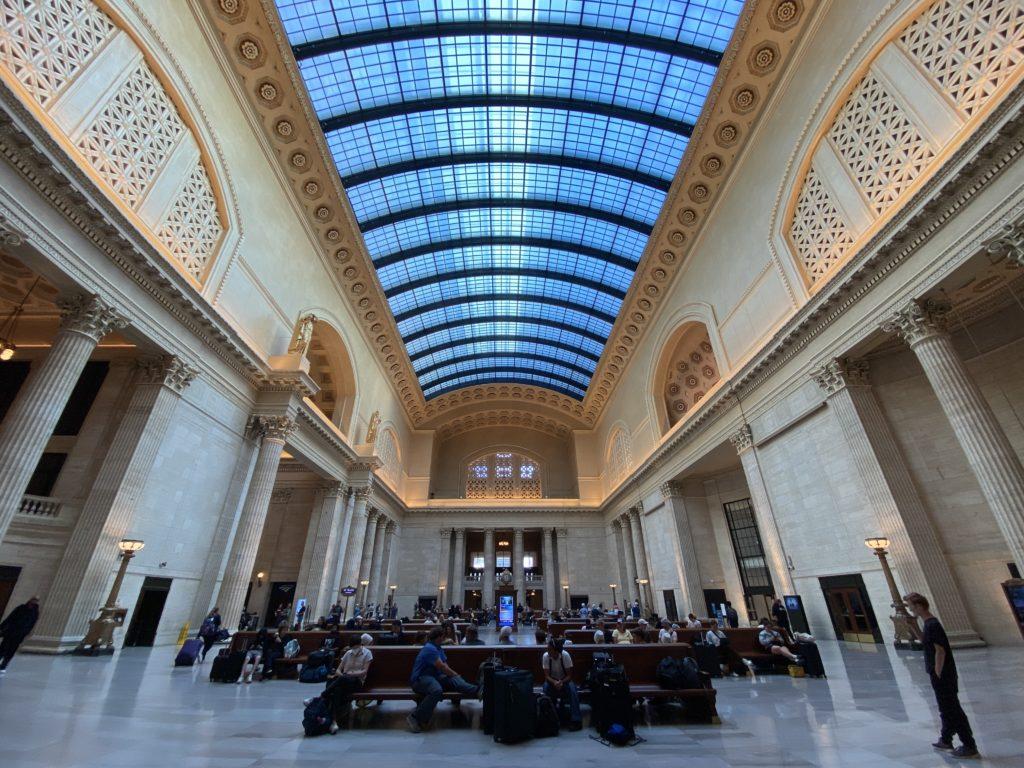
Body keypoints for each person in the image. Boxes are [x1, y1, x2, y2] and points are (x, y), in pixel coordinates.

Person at [904, 593, 978, 758]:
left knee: (952, 709)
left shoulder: (933, 624)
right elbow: (926, 643)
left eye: (911, 607)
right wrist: (913, 626)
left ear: (920, 606)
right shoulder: (928, 624)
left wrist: (938, 672)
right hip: (938, 672)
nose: (910, 610)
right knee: (945, 707)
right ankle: (946, 738)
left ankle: (969, 744)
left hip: (943, 674)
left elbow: (940, 651)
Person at [406, 627, 479, 732]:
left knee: (454, 681)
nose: (444, 639)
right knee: (437, 690)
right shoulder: (429, 648)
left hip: (435, 677)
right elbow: (442, 667)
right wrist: (455, 674)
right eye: (443, 637)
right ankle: (415, 717)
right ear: (438, 637)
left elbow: (445, 665)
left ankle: (478, 690)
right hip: (421, 679)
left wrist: (454, 676)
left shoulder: (438, 648)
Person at [323, 633, 374, 731]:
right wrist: (343, 676)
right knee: (337, 690)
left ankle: (323, 696)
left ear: (360, 645)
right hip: (344, 680)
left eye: (356, 647)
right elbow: (338, 670)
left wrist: (349, 674)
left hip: (357, 682)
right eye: (353, 648)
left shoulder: (367, 653)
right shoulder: (348, 653)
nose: (354, 650)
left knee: (338, 681)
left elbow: (364, 672)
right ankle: (334, 721)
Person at [542, 636, 582, 731]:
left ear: (556, 650)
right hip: (551, 681)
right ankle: (549, 719)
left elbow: (569, 675)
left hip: (565, 680)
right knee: (546, 689)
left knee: (573, 691)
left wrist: (561, 682)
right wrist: (555, 682)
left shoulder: (565, 655)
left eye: (550, 649)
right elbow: (547, 676)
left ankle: (576, 720)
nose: (548, 650)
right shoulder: (546, 656)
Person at [0, 596, 39, 673]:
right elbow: (10, 617)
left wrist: (25, 633)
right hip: (11, 631)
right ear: (30, 600)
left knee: (12, 649)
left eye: (36, 600)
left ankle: (4, 665)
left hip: (19, 634)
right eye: (33, 599)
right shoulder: (21, 608)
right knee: (3, 647)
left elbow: (32, 624)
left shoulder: (35, 612)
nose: (34, 601)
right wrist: (2, 627)